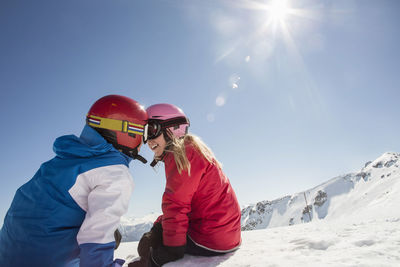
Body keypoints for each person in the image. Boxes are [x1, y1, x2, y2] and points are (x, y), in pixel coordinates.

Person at [0, 95, 148, 267]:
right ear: (126, 131)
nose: (143, 143)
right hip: (48, 260)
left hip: (8, 255)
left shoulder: (63, 161)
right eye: (143, 133)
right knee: (110, 236)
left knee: (114, 235)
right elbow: (96, 240)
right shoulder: (115, 172)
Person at [129, 103, 241, 267]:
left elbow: (176, 205)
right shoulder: (191, 150)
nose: (148, 141)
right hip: (224, 235)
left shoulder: (182, 154)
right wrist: (158, 226)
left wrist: (167, 253)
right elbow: (183, 203)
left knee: (147, 247)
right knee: (154, 236)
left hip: (211, 239)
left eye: (151, 130)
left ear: (172, 129)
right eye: (144, 134)